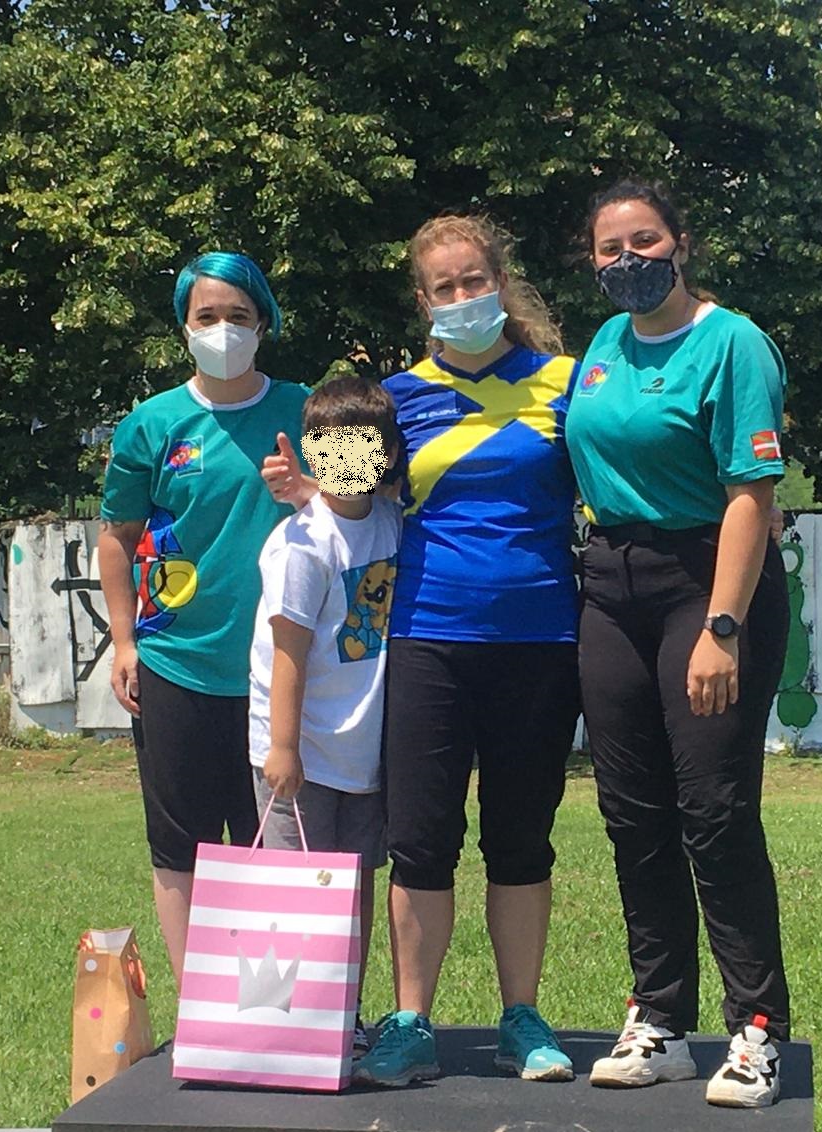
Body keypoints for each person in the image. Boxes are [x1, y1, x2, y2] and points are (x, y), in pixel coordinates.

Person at [264, 215, 581, 1087]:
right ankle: (410, 1022)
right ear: (423, 301)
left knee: (522, 842)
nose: (463, 297)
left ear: (501, 283)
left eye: (475, 281)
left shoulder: (566, 384)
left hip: (541, 642)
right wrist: (307, 490)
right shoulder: (398, 399)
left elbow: (623, 473)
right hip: (426, 643)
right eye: (445, 288)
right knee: (420, 843)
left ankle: (523, 1019)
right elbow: (353, 497)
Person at [564, 180, 793, 1108]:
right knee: (633, 815)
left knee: (716, 815)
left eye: (645, 241)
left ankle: (756, 1031)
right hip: (610, 585)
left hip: (708, 584)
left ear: (682, 244)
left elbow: (751, 495)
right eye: (609, 248)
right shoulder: (603, 347)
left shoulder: (732, 342)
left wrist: (722, 629)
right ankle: (659, 1019)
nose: (628, 261)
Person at [98, 251, 307, 986]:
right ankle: (202, 1010)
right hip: (176, 663)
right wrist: (123, 642)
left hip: (285, 672)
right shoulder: (149, 424)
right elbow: (117, 538)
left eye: (239, 316)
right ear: (184, 327)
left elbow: (368, 505)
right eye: (207, 316)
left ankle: (281, 1009)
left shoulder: (308, 408)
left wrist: (306, 488)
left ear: (264, 324)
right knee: (181, 847)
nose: (224, 330)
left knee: (276, 846)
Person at [247, 377, 402, 1057]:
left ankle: (343, 1017)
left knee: (352, 892)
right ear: (314, 452)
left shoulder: (392, 522)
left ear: (385, 454)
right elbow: (287, 653)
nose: (348, 461)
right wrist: (283, 749)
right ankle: (281, 1028)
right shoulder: (301, 545)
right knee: (293, 896)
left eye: (362, 446)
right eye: (331, 448)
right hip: (301, 751)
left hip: (363, 752)